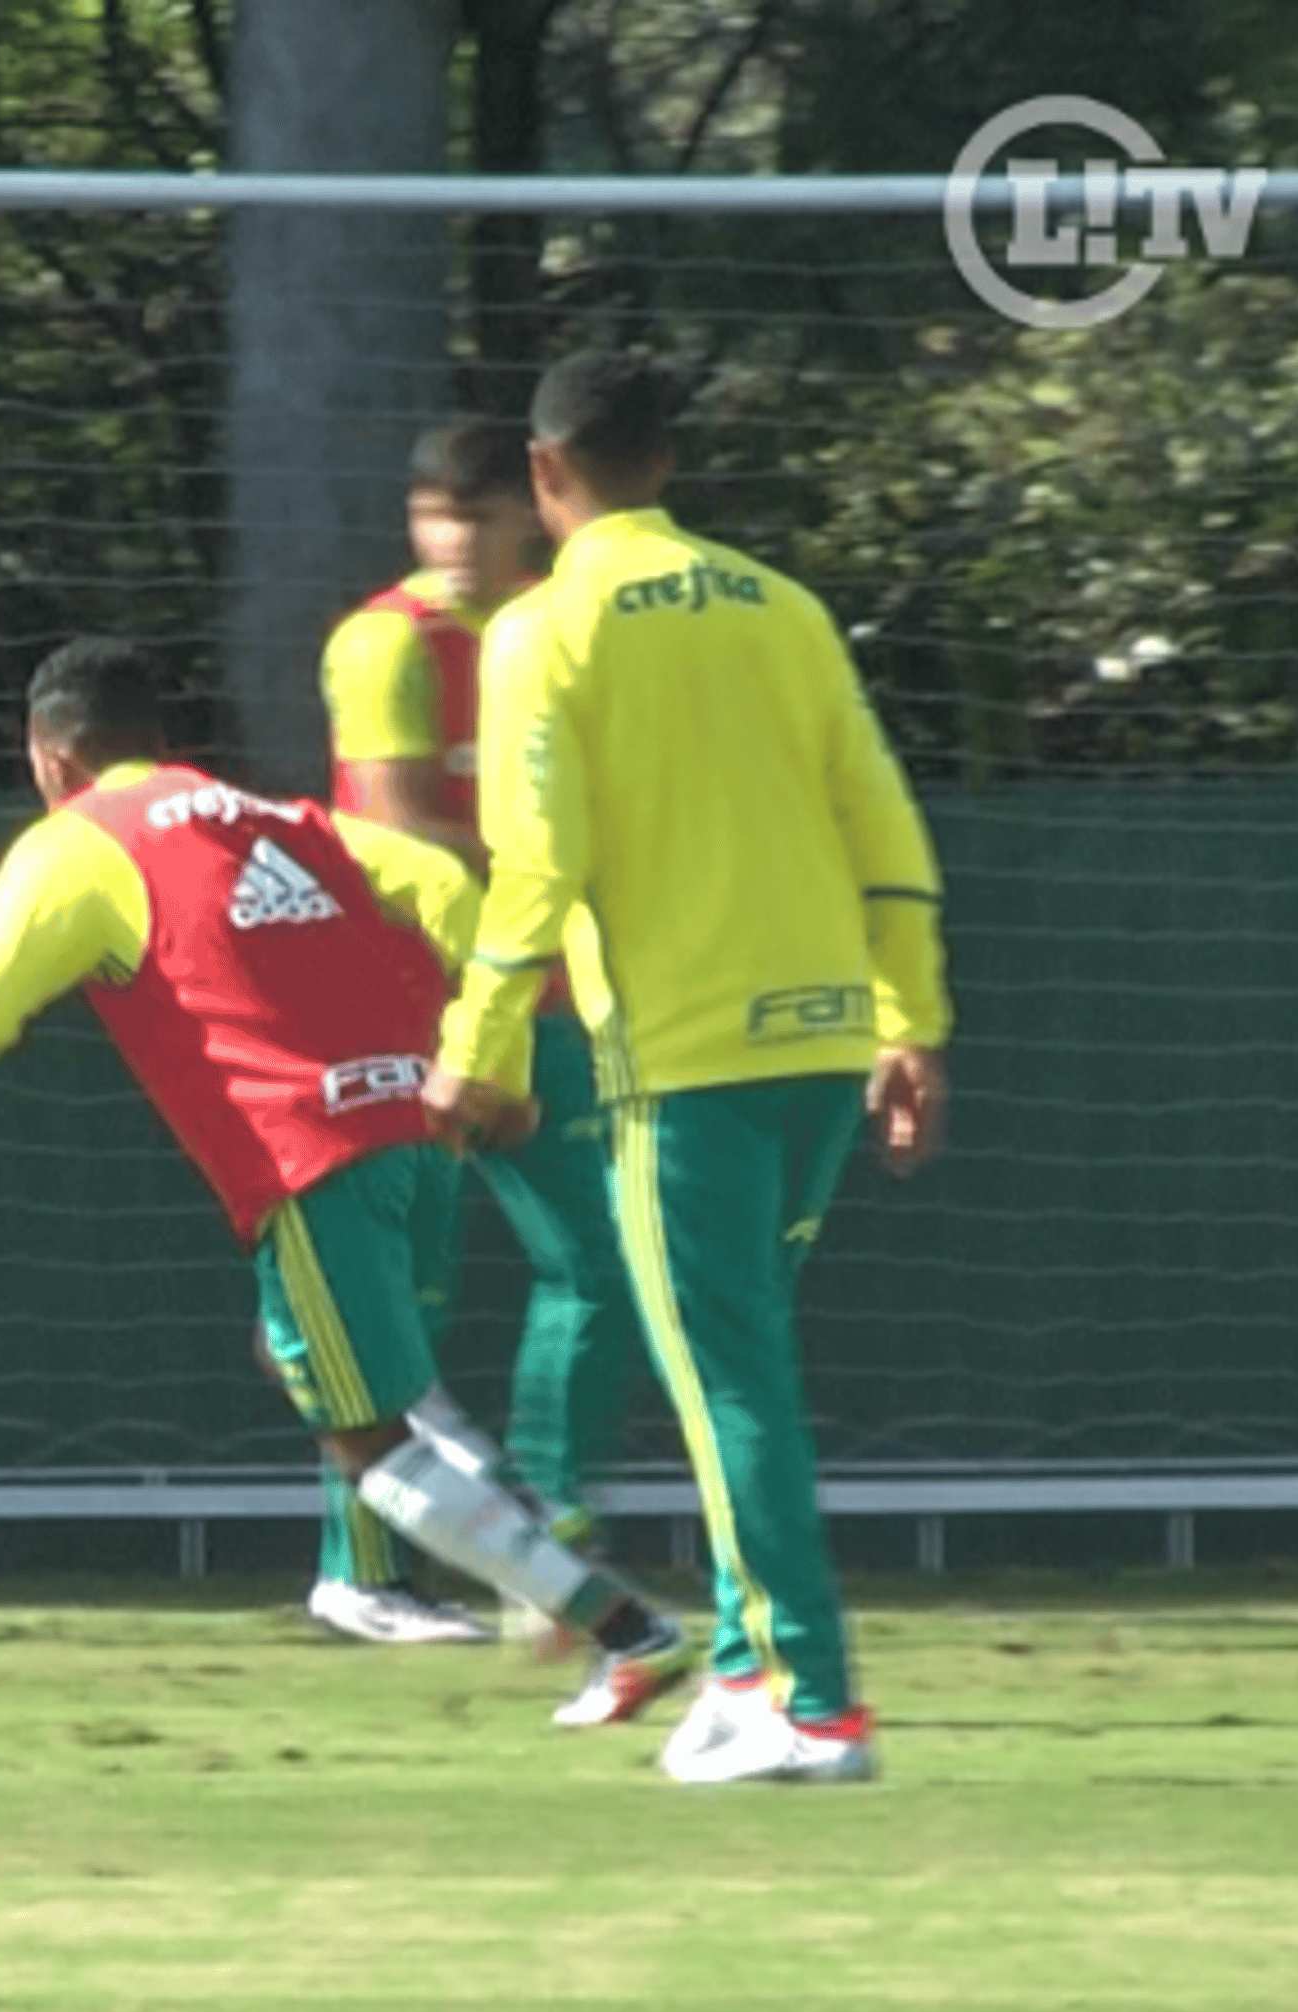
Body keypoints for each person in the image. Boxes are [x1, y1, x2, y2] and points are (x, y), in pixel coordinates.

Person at [0, 635, 697, 1730]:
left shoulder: (76, 846)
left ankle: (619, 1627)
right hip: (417, 1132)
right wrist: (494, 1065)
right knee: (313, 1361)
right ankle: (512, 1536)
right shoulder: (273, 816)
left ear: (49, 755)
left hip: (310, 1161)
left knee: (363, 1437)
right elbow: (444, 881)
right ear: (160, 739)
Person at [425, 351, 953, 1787]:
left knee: (733, 1384)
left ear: (546, 477)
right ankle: (739, 1665)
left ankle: (817, 1702)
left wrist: (475, 1048)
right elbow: (883, 825)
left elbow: (537, 864)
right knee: (746, 1364)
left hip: (682, 1064)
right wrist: (912, 1019)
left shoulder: (546, 629)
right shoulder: (785, 609)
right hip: (825, 1040)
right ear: (668, 462)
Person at [317, 418, 657, 1637]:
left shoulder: (556, 631)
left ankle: (555, 1545)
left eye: (477, 514)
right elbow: (403, 827)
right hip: (401, 1011)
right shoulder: (383, 644)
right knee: (393, 1294)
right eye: (433, 516)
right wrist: (567, 867)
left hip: (534, 1000)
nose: (454, 541)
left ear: (532, 512)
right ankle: (362, 1574)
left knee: (599, 1262)